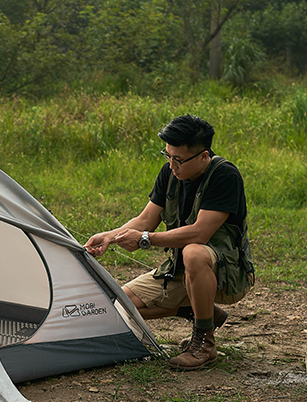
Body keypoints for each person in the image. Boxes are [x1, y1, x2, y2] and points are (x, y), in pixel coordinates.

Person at [85, 114, 254, 371]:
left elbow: (199, 233)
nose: (172, 165)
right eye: (167, 156)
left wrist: (145, 240)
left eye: (179, 159)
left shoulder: (224, 176)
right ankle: (198, 310)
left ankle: (204, 343)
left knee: (194, 252)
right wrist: (108, 236)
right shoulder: (170, 173)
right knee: (120, 304)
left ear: (203, 156)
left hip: (227, 275)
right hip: (181, 273)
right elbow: (145, 220)